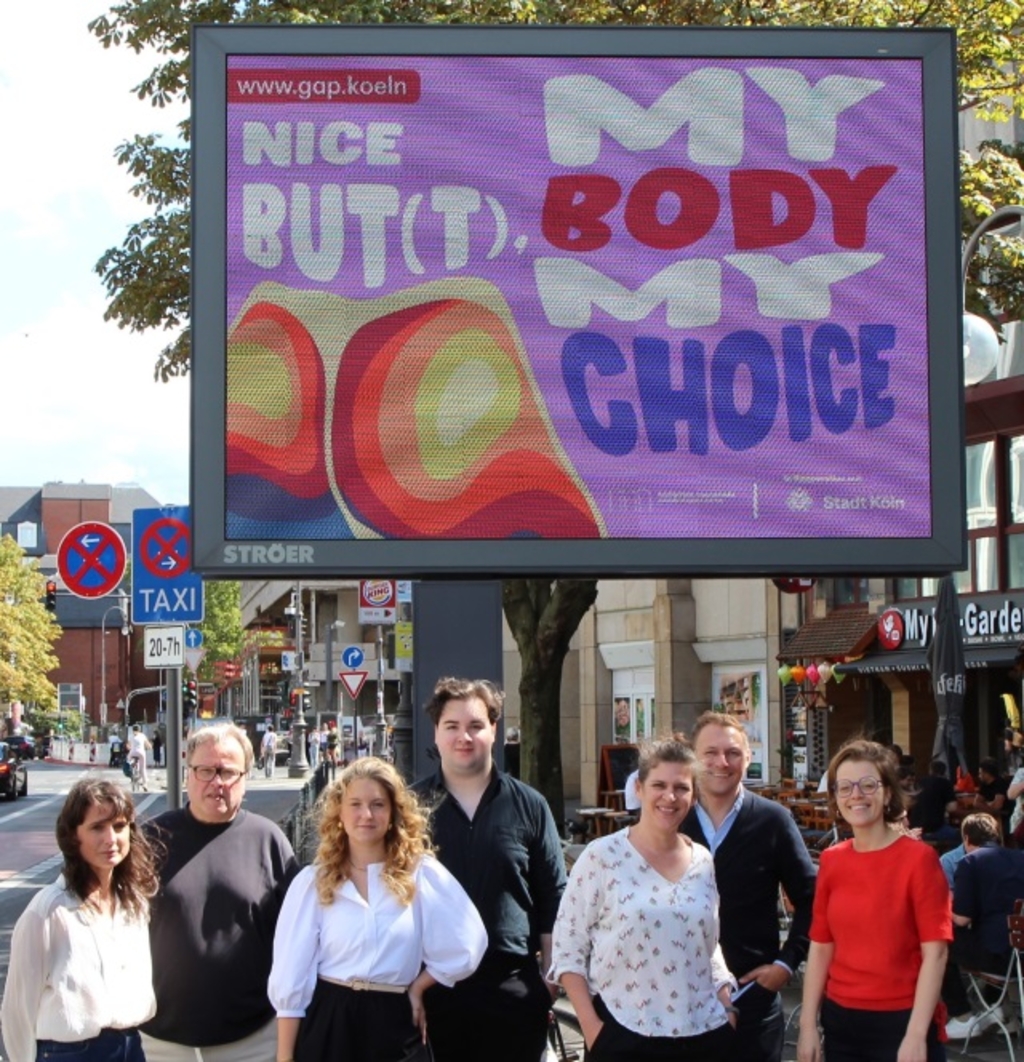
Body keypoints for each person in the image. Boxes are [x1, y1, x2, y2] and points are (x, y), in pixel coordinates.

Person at [269, 757, 487, 1061]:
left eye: (378, 804)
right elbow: (291, 975)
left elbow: (468, 942)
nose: (366, 815)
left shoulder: (420, 875)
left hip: (395, 1023)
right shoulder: (314, 882)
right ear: (340, 812)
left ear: (393, 812)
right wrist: (284, 1057)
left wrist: (419, 986)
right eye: (355, 804)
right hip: (331, 1025)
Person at [552, 738, 737, 1060]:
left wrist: (726, 1003)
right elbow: (568, 947)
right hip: (626, 1031)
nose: (670, 797)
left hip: (704, 1033)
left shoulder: (702, 861)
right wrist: (593, 1028)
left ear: (694, 796)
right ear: (639, 788)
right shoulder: (602, 857)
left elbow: (707, 943)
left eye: (681, 788)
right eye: (659, 785)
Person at [414, 677, 567, 1062]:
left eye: (476, 725)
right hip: (434, 988)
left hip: (513, 987)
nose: (463, 737)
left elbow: (553, 896)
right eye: (452, 726)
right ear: (436, 732)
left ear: (494, 730)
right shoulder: (410, 808)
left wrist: (548, 981)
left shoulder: (530, 805)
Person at [141, 722, 300, 1062]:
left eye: (228, 772)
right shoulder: (151, 840)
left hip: (252, 1041)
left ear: (245, 778)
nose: (217, 782)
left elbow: (297, 938)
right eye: (205, 770)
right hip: (159, 1042)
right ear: (188, 774)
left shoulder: (269, 841)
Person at [797, 738, 951, 1062]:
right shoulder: (832, 860)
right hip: (841, 1022)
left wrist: (916, 1035)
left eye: (868, 785)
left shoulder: (919, 860)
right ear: (835, 797)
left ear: (888, 793)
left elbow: (935, 953)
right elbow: (821, 947)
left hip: (903, 1020)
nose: (856, 795)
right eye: (845, 787)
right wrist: (807, 1025)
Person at [681, 711, 817, 1062]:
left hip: (751, 1001)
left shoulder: (773, 821)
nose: (722, 762)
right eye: (710, 753)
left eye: (732, 753)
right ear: (693, 756)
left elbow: (813, 900)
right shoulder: (672, 819)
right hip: (678, 1003)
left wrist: (786, 963)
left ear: (748, 757)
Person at [1, 778, 159, 1062]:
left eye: (119, 826)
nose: (111, 839)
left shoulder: (133, 902)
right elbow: (17, 1010)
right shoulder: (49, 911)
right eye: (97, 827)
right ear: (74, 836)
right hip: (70, 1053)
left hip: (130, 1046)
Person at [943, 812, 1024, 1038]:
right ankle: (994, 1008)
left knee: (938, 948)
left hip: (997, 958)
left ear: (966, 838)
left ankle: (962, 1016)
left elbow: (962, 918)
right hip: (1019, 956)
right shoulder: (1020, 858)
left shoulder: (970, 862)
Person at [909, 759, 960, 844]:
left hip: (915, 830)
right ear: (944, 772)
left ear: (930, 770)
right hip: (935, 828)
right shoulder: (945, 783)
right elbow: (952, 808)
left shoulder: (918, 782)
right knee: (959, 835)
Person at [127, 724, 151, 792]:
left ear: (132, 730)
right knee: (143, 768)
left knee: (129, 760)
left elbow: (128, 745)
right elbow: (148, 745)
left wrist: (131, 748)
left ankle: (132, 771)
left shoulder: (130, 736)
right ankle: (145, 784)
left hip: (132, 753)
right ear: (139, 730)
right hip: (141, 753)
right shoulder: (142, 735)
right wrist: (149, 747)